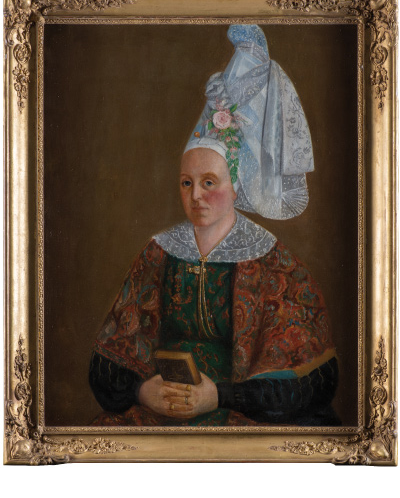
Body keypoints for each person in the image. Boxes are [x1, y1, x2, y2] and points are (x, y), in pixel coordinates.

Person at [89, 25, 339, 427]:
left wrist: (218, 396)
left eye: (210, 183)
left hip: (236, 412)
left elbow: (315, 381)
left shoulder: (273, 262)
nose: (196, 197)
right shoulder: (159, 252)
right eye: (186, 183)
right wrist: (143, 391)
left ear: (236, 187)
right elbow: (109, 360)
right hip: (162, 407)